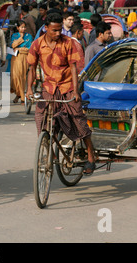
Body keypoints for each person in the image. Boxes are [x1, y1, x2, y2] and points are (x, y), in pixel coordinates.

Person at [26, 13, 96, 175]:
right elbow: (31, 68)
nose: (58, 34)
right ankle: (45, 147)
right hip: (49, 88)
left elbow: (73, 67)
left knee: (79, 121)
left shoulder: (68, 43)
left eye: (60, 30)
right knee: (41, 117)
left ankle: (91, 157)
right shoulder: (37, 44)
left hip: (67, 87)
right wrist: (29, 89)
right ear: (46, 29)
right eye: (54, 30)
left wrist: (76, 91)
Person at [10, 20, 33, 104]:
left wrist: (19, 49)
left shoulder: (29, 36)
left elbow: (29, 48)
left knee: (21, 76)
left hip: (24, 58)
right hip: (15, 58)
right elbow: (13, 45)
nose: (23, 29)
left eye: (24, 27)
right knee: (14, 77)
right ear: (17, 28)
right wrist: (20, 39)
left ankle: (22, 97)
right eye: (21, 27)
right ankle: (18, 94)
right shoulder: (14, 35)